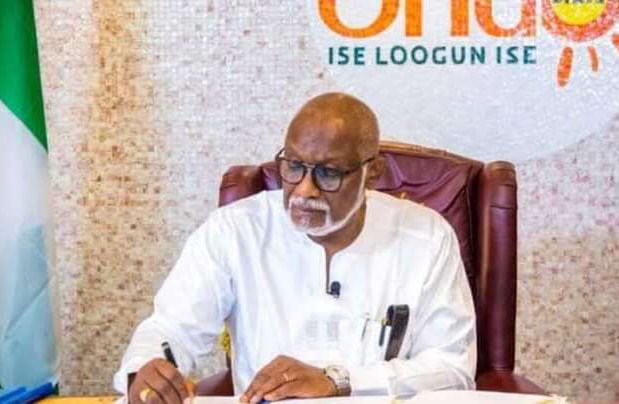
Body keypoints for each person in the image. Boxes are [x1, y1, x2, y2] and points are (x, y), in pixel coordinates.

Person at [114, 93, 477, 404]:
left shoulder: (427, 236)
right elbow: (171, 328)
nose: (304, 190)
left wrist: (339, 380)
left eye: (328, 173)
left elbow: (452, 368)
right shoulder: (236, 230)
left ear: (374, 172)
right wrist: (144, 370)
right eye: (293, 166)